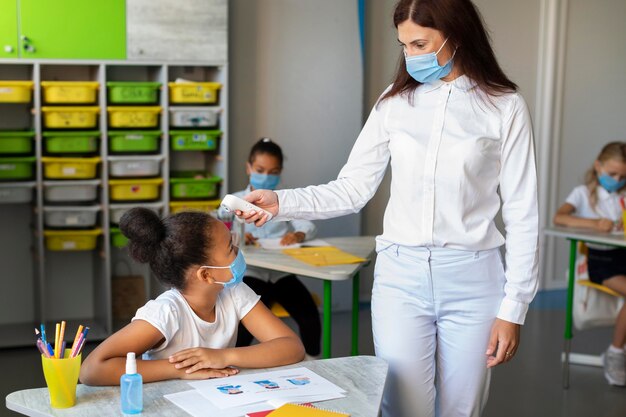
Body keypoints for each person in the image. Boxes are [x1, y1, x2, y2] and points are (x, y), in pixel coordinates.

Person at [237, 0, 539, 416]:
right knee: (402, 407)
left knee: (461, 410)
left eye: (421, 44)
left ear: (457, 34)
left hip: (473, 277)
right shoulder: (394, 102)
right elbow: (352, 188)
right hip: (401, 276)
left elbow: (524, 211)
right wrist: (281, 201)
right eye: (404, 46)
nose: (411, 56)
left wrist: (514, 306)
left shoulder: (504, 106)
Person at [79, 208, 304, 386]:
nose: (238, 251)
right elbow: (92, 370)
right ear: (206, 274)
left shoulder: (235, 292)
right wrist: (181, 369)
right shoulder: (167, 312)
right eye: (230, 248)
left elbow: (292, 347)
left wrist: (222, 357)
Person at [232, 138, 322, 359]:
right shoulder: (234, 200)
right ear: (248, 167)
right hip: (251, 274)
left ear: (280, 172)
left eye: (273, 171)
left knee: (310, 317)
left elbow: (307, 223)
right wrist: (240, 236)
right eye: (260, 170)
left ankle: (314, 364)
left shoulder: (284, 199)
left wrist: (298, 233)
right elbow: (221, 234)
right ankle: (235, 369)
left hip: (281, 273)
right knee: (245, 329)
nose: (266, 176)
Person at [553, 141, 626, 386]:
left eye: (623, 176)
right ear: (598, 166)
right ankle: (616, 353)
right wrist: (595, 224)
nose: (617, 179)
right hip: (601, 263)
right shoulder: (582, 194)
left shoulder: (623, 197)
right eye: (612, 174)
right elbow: (559, 217)